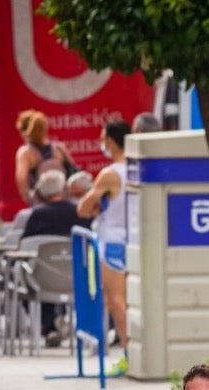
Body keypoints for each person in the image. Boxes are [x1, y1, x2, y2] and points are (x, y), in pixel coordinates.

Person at [77, 119, 131, 351]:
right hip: (134, 237)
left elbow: (83, 208)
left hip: (112, 241)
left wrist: (94, 207)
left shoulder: (110, 174)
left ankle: (129, 354)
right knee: (131, 301)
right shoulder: (138, 167)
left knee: (115, 301)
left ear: (111, 141)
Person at [18, 171, 80, 347]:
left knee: (33, 277)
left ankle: (49, 326)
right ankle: (62, 323)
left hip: (42, 280)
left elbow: (23, 245)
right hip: (75, 277)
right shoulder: (78, 211)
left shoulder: (37, 215)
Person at [14, 111, 73, 204]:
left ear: (23, 131)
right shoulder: (59, 148)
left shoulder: (25, 152)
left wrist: (29, 199)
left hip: (41, 202)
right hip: (64, 199)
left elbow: (21, 179)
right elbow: (72, 170)